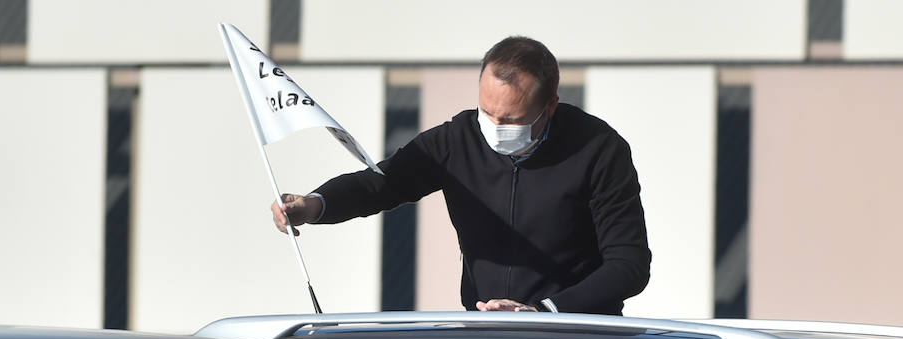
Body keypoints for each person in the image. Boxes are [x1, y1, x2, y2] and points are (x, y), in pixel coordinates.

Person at [270, 36, 651, 315]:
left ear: (551, 105)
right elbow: (380, 183)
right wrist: (313, 205)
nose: (495, 126)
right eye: (487, 112)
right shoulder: (458, 138)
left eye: (512, 119)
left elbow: (628, 265)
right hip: (484, 335)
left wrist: (543, 311)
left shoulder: (599, 149)